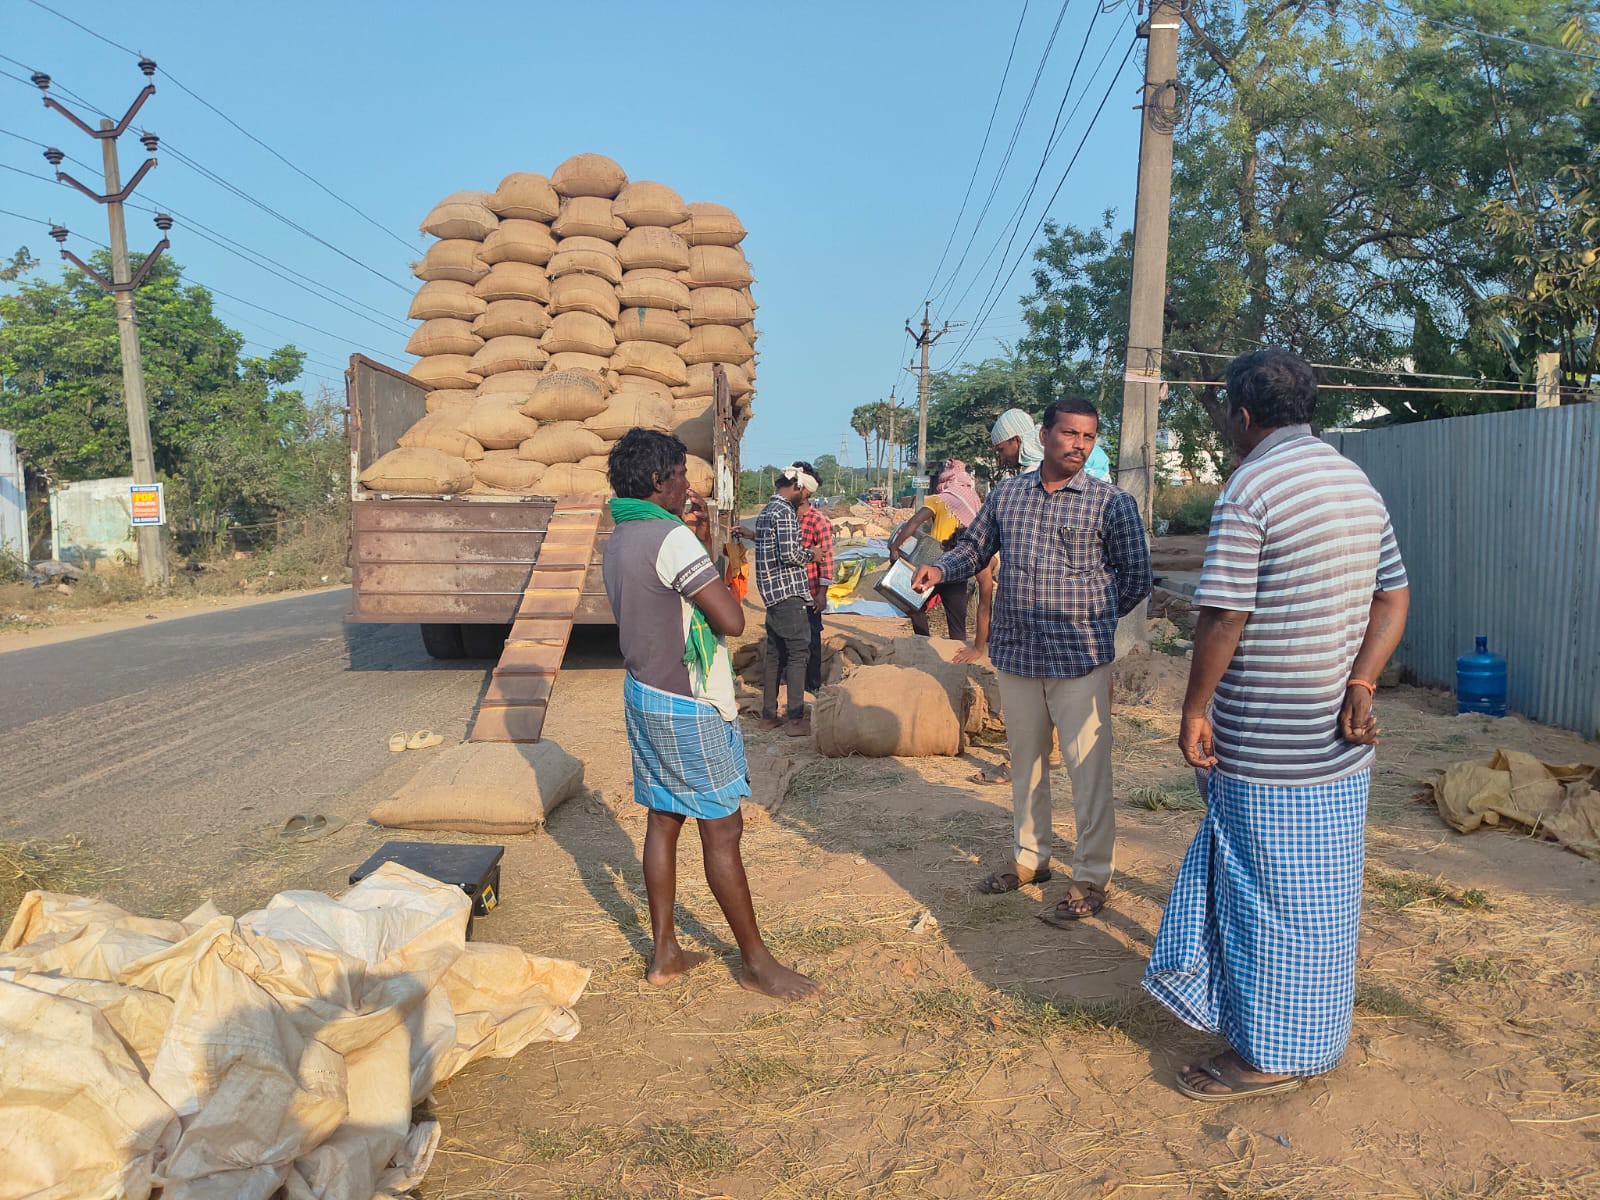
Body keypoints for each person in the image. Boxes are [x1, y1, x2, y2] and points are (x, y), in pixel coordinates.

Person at [1142, 349, 1408, 1100]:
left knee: (1263, 897)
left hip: (1265, 739)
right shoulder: (1353, 480)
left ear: (1243, 414)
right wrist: (1362, 679)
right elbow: (1394, 597)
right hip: (1339, 744)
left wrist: (1194, 708)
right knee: (1318, 897)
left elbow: (1225, 613)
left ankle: (1269, 1055)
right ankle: (1311, 1034)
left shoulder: (1251, 488)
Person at [602, 429, 818, 1001]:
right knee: (723, 830)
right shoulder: (670, 540)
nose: (689, 485)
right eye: (680, 474)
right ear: (658, 481)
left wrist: (700, 536)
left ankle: (665, 951)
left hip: (644, 693)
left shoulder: (620, 535)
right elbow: (731, 620)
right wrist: (701, 544)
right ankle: (755, 962)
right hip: (688, 703)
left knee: (663, 818)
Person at [915, 399, 1151, 922]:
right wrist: (939, 570)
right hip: (1018, 656)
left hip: (1080, 662)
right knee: (1026, 766)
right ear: (1041, 438)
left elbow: (1136, 578)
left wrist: (1091, 618)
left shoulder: (1110, 503)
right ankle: (1029, 860)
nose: (1079, 446)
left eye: (1088, 437)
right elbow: (974, 549)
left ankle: (1090, 878)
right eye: (1069, 434)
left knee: (1089, 775)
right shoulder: (1007, 496)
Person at [748, 462, 822, 736]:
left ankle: (768, 715)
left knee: (774, 655)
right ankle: (794, 719)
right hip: (789, 594)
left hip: (771, 595)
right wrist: (812, 554)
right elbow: (790, 555)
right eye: (805, 495)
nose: (805, 501)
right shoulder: (785, 512)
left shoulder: (766, 511)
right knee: (798, 654)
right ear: (798, 487)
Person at [888, 459, 993, 643]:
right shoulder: (974, 502)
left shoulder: (939, 500)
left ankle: (923, 643)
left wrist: (895, 546)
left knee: (913, 604)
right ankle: (956, 658)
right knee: (956, 622)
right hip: (961, 567)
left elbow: (913, 523)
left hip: (934, 564)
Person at [770, 495, 832, 700]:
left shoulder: (817, 521)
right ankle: (789, 687)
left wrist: (822, 594)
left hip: (810, 591)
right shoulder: (785, 517)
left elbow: (826, 559)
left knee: (811, 640)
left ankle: (813, 686)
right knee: (787, 641)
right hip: (787, 591)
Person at [991, 408, 1044, 473]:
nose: (1002, 459)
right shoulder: (1052, 464)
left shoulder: (1031, 475)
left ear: (1017, 440)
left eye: (1001, 450)